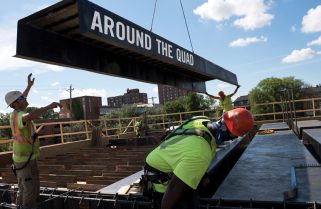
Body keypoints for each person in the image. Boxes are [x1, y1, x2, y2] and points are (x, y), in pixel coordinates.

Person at [142, 108, 254, 209]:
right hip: (162, 182)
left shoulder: (201, 121)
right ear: (231, 135)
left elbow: (187, 148)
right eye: (235, 137)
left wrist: (203, 175)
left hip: (161, 160)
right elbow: (174, 187)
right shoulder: (201, 152)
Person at [5, 73, 61, 209]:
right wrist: (49, 106)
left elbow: (20, 100)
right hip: (24, 160)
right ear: (16, 103)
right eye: (22, 99)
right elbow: (30, 115)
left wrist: (28, 86)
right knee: (29, 191)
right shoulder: (19, 116)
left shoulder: (16, 112)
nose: (26, 99)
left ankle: (19, 207)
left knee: (26, 188)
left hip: (25, 158)